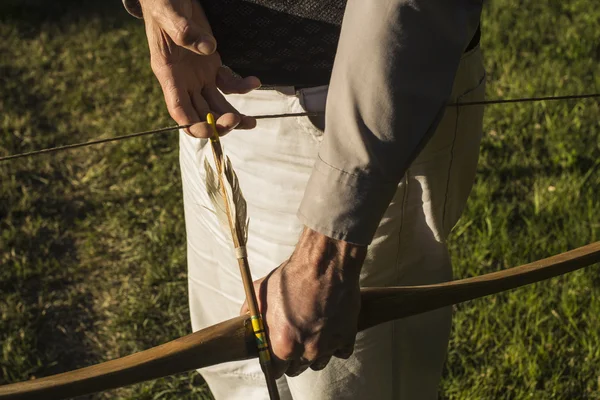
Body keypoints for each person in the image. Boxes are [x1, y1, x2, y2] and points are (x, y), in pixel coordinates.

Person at [123, 0, 486, 398]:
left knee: (347, 384)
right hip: (217, 95)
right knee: (239, 374)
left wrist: (326, 253)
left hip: (350, 114)